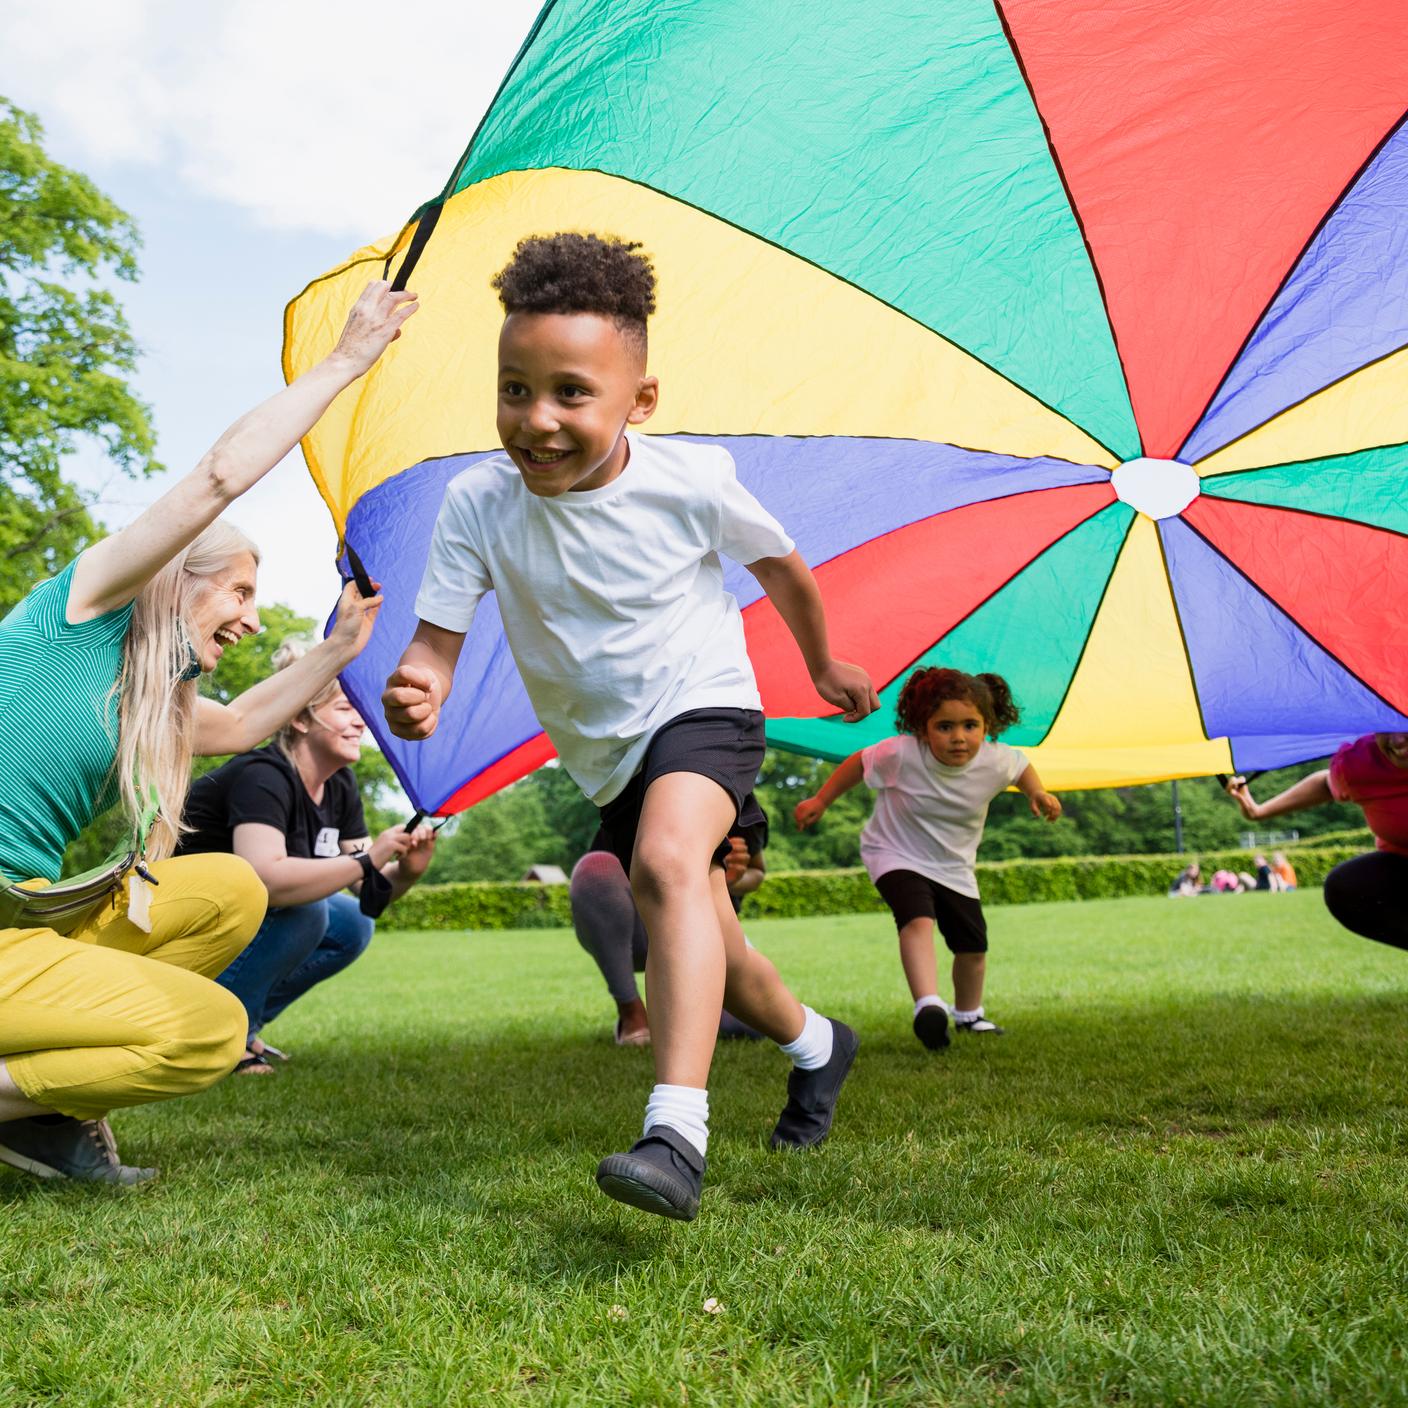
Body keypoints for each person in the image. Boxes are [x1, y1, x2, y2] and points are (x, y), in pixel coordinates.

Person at [382, 233, 876, 1221]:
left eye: (571, 392)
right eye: (514, 389)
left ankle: (675, 1134)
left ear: (637, 401)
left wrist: (820, 662)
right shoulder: (478, 503)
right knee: (715, 949)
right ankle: (819, 1047)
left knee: (663, 865)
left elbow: (781, 566)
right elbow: (435, 642)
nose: (538, 419)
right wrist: (417, 682)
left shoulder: (687, 481)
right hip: (606, 754)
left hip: (703, 705)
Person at [0, 280, 417, 1183]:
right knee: (210, 1031)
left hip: (20, 923)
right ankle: (32, 1101)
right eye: (238, 591)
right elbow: (220, 476)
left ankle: (39, 1113)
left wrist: (339, 647)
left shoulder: (151, 698)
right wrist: (347, 361)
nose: (249, 620)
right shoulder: (80, 612)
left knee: (228, 888)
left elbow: (241, 724)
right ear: (175, 578)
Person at [179, 642, 437, 1073]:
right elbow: (266, 879)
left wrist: (406, 872)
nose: (360, 721)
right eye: (345, 709)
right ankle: (215, 1035)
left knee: (353, 923)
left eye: (360, 710)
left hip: (241, 914)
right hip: (182, 911)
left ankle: (241, 1025)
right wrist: (368, 859)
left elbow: (365, 890)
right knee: (307, 911)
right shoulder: (264, 776)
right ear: (299, 718)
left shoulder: (340, 786)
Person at [795, 668, 1060, 1049]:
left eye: (971, 725)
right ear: (922, 728)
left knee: (972, 947)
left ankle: (970, 1016)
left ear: (987, 726)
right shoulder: (902, 753)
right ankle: (928, 1006)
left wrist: (1037, 793)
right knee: (917, 919)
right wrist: (820, 800)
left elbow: (1021, 768)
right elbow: (858, 762)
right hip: (893, 853)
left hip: (954, 867)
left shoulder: (995, 760)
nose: (959, 737)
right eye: (945, 726)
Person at [571, 813, 769, 1046]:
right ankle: (631, 1011)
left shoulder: (743, 804)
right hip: (644, 925)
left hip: (710, 928)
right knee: (594, 869)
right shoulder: (629, 794)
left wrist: (730, 878)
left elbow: (757, 872)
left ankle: (687, 1005)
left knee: (752, 1022)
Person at [1228, 733, 1408, 952]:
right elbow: (1325, 784)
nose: (1397, 741)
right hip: (1402, 867)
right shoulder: (1362, 762)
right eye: (1385, 728)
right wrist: (1258, 812)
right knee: (1346, 885)